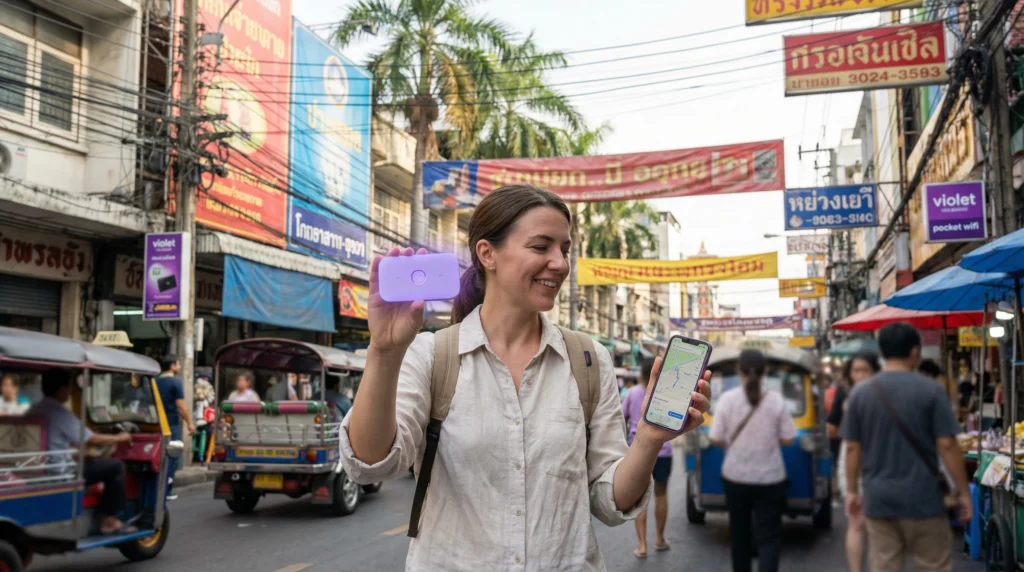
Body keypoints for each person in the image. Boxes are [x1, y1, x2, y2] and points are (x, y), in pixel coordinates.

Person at [338, 185, 712, 571]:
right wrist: (383, 350)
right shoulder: (432, 355)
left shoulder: (587, 360)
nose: (560, 263)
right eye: (541, 247)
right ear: (488, 254)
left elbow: (610, 503)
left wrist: (649, 438)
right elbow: (371, 464)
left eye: (564, 250)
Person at [841, 323, 972, 572]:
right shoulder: (932, 390)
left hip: (879, 502)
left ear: (881, 352)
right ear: (915, 352)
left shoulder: (861, 393)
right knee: (933, 565)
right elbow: (947, 444)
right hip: (925, 500)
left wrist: (850, 490)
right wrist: (963, 493)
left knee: (885, 566)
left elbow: (852, 448)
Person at [709, 349, 795, 572]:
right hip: (770, 478)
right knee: (769, 539)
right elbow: (788, 438)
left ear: (740, 371)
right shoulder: (776, 401)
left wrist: (734, 444)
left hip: (736, 477)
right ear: (765, 372)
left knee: (740, 536)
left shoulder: (728, 400)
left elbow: (715, 437)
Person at [26, 369, 135, 535]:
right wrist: (121, 438)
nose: (70, 391)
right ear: (62, 388)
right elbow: (92, 439)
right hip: (60, 472)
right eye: (69, 387)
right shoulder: (58, 412)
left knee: (92, 462)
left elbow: (53, 442)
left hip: (38, 469)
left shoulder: (34, 410)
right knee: (116, 467)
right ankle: (109, 520)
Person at [828, 351, 881, 572]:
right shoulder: (843, 394)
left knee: (879, 524)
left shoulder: (883, 393)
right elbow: (832, 429)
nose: (860, 375)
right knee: (856, 521)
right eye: (856, 370)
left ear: (875, 371)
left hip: (880, 457)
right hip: (851, 456)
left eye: (865, 370)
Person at [622, 357, 673, 558]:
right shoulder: (667, 394)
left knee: (639, 499)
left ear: (641, 374)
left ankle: (642, 545)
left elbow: (621, 417)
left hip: (638, 452)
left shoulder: (632, 393)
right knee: (661, 495)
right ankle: (660, 539)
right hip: (663, 451)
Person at [156, 356, 194, 500]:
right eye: (178, 364)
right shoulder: (175, 382)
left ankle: (159, 488)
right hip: (171, 423)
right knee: (173, 455)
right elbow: (181, 406)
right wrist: (190, 423)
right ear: (172, 365)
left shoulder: (155, 381)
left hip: (157, 423)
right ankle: (168, 490)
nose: (179, 367)